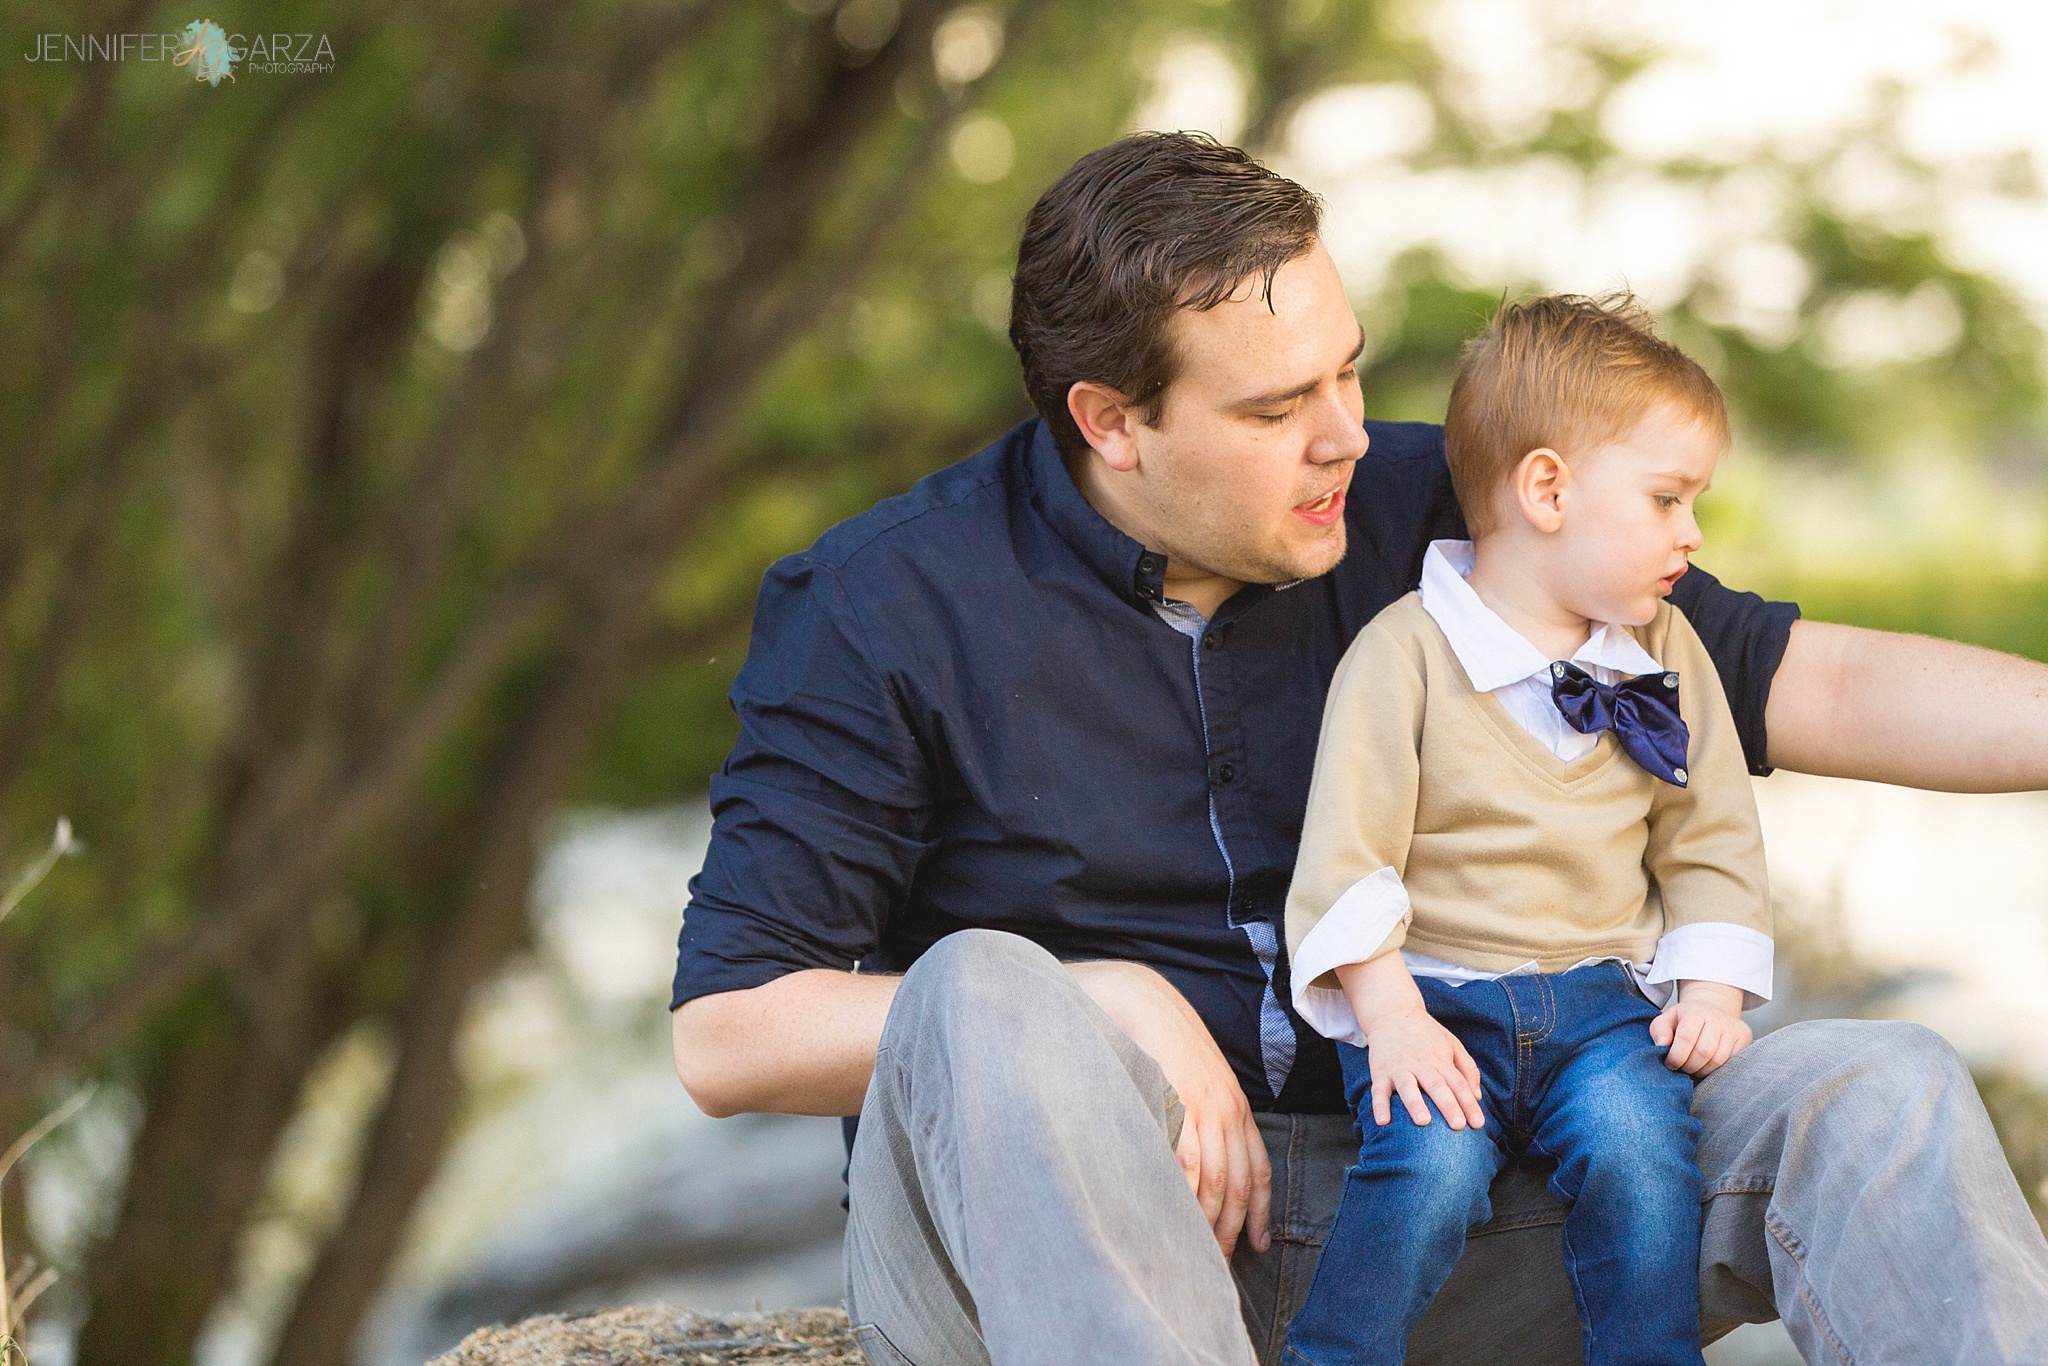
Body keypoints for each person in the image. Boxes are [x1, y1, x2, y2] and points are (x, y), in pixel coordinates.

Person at [668, 132, 2048, 1366]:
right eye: (1274, 410)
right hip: (1051, 1247)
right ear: (1111, 422)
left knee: (1879, 1090)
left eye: (1350, 369)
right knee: (981, 988)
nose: (1343, 435)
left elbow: (1819, 681)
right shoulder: (880, 602)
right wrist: (1110, 1001)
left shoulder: (1437, 512)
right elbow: (730, 1033)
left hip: (1426, 1203)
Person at [1280, 294, 1772, 1366]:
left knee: (1641, 1152)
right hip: (1434, 996)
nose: (1690, 532)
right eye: (1664, 498)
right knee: (1429, 1165)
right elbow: (1346, 855)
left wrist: (1710, 990)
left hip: (1602, 1004)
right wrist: (1392, 1018)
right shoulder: (1401, 653)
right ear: (1545, 488)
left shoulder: (1667, 651)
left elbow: (1710, 841)